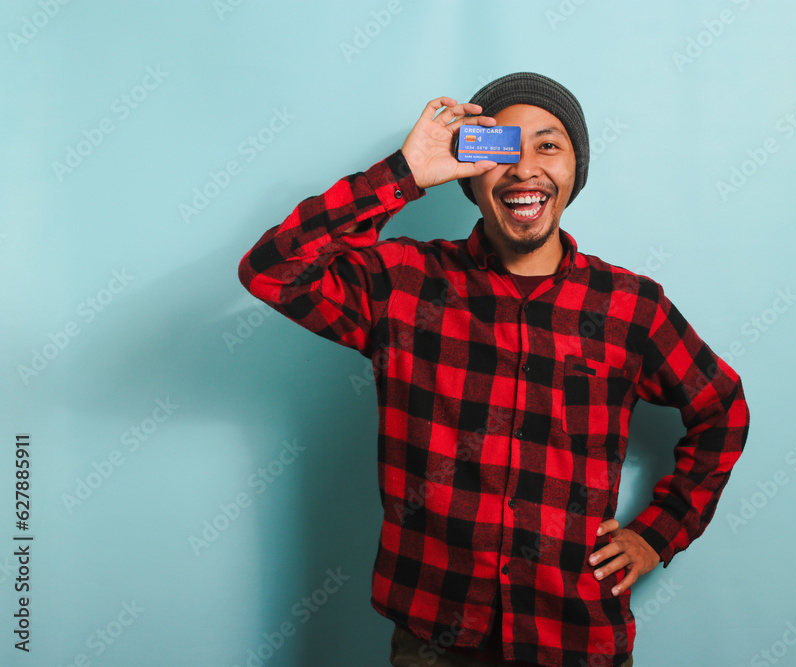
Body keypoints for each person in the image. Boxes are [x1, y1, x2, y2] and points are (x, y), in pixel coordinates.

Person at [238, 72, 749, 667]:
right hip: (434, 635)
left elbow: (722, 409)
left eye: (548, 145)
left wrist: (657, 535)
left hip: (573, 638)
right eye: (500, 148)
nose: (524, 167)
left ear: (574, 172)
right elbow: (272, 269)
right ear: (469, 171)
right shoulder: (405, 283)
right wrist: (404, 174)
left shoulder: (630, 306)